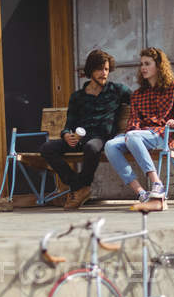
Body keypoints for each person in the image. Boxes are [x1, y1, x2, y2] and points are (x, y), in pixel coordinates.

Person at [104, 47, 174, 212]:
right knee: (110, 145)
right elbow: (134, 121)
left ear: (159, 66)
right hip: (138, 136)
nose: (143, 68)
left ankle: (157, 184)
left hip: (162, 136)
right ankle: (141, 193)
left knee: (132, 136)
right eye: (141, 64)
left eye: (147, 64)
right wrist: (130, 135)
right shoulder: (138, 94)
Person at [40, 49, 131, 210]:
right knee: (47, 148)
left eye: (107, 69)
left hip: (101, 139)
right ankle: (79, 186)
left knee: (92, 147)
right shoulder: (77, 97)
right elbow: (69, 123)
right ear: (90, 70)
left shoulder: (117, 90)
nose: (104, 73)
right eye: (99, 69)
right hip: (79, 138)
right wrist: (66, 134)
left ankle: (80, 188)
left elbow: (141, 100)